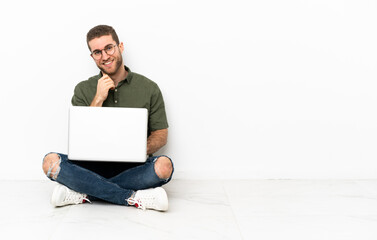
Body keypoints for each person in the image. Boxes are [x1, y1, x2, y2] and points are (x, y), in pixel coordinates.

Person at [42, 25, 173, 211]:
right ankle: (132, 198)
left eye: (109, 48)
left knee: (164, 166)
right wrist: (98, 98)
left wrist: (136, 149)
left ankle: (84, 191)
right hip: (90, 168)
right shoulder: (83, 89)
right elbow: (81, 139)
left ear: (120, 46)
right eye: (97, 52)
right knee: (50, 162)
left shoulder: (149, 88)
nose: (104, 56)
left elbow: (161, 134)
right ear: (92, 56)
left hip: (133, 168)